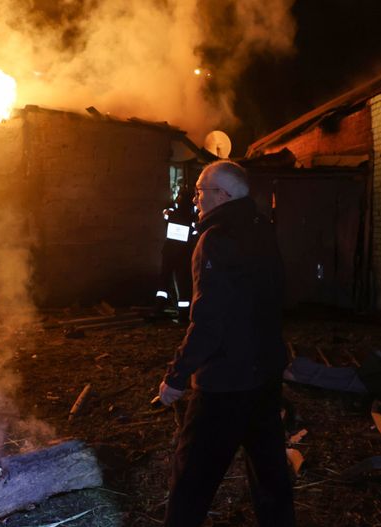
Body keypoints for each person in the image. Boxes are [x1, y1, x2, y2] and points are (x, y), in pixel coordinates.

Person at [156, 160, 295, 527]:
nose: (196, 198)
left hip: (224, 381)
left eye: (201, 191)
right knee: (270, 474)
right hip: (264, 374)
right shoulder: (262, 229)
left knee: (191, 480)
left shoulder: (215, 240)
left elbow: (209, 319)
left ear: (222, 195)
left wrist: (177, 375)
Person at [154, 188, 197, 321]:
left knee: (164, 280)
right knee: (183, 282)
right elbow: (195, 234)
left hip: (169, 253)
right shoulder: (193, 217)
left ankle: (159, 307)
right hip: (183, 254)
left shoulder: (172, 213)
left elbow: (164, 211)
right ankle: (184, 314)